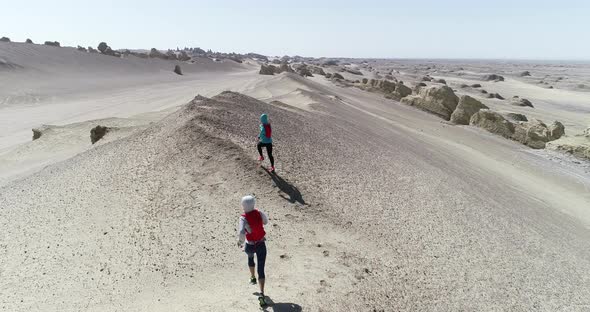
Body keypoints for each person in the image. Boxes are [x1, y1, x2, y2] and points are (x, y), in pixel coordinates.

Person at [237, 195, 269, 306]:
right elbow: (265, 222)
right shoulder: (259, 213)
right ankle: (262, 293)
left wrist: (240, 242)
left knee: (250, 257)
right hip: (261, 243)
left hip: (250, 244)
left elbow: (241, 232)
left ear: (244, 206)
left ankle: (252, 277)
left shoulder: (243, 218)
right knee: (261, 268)